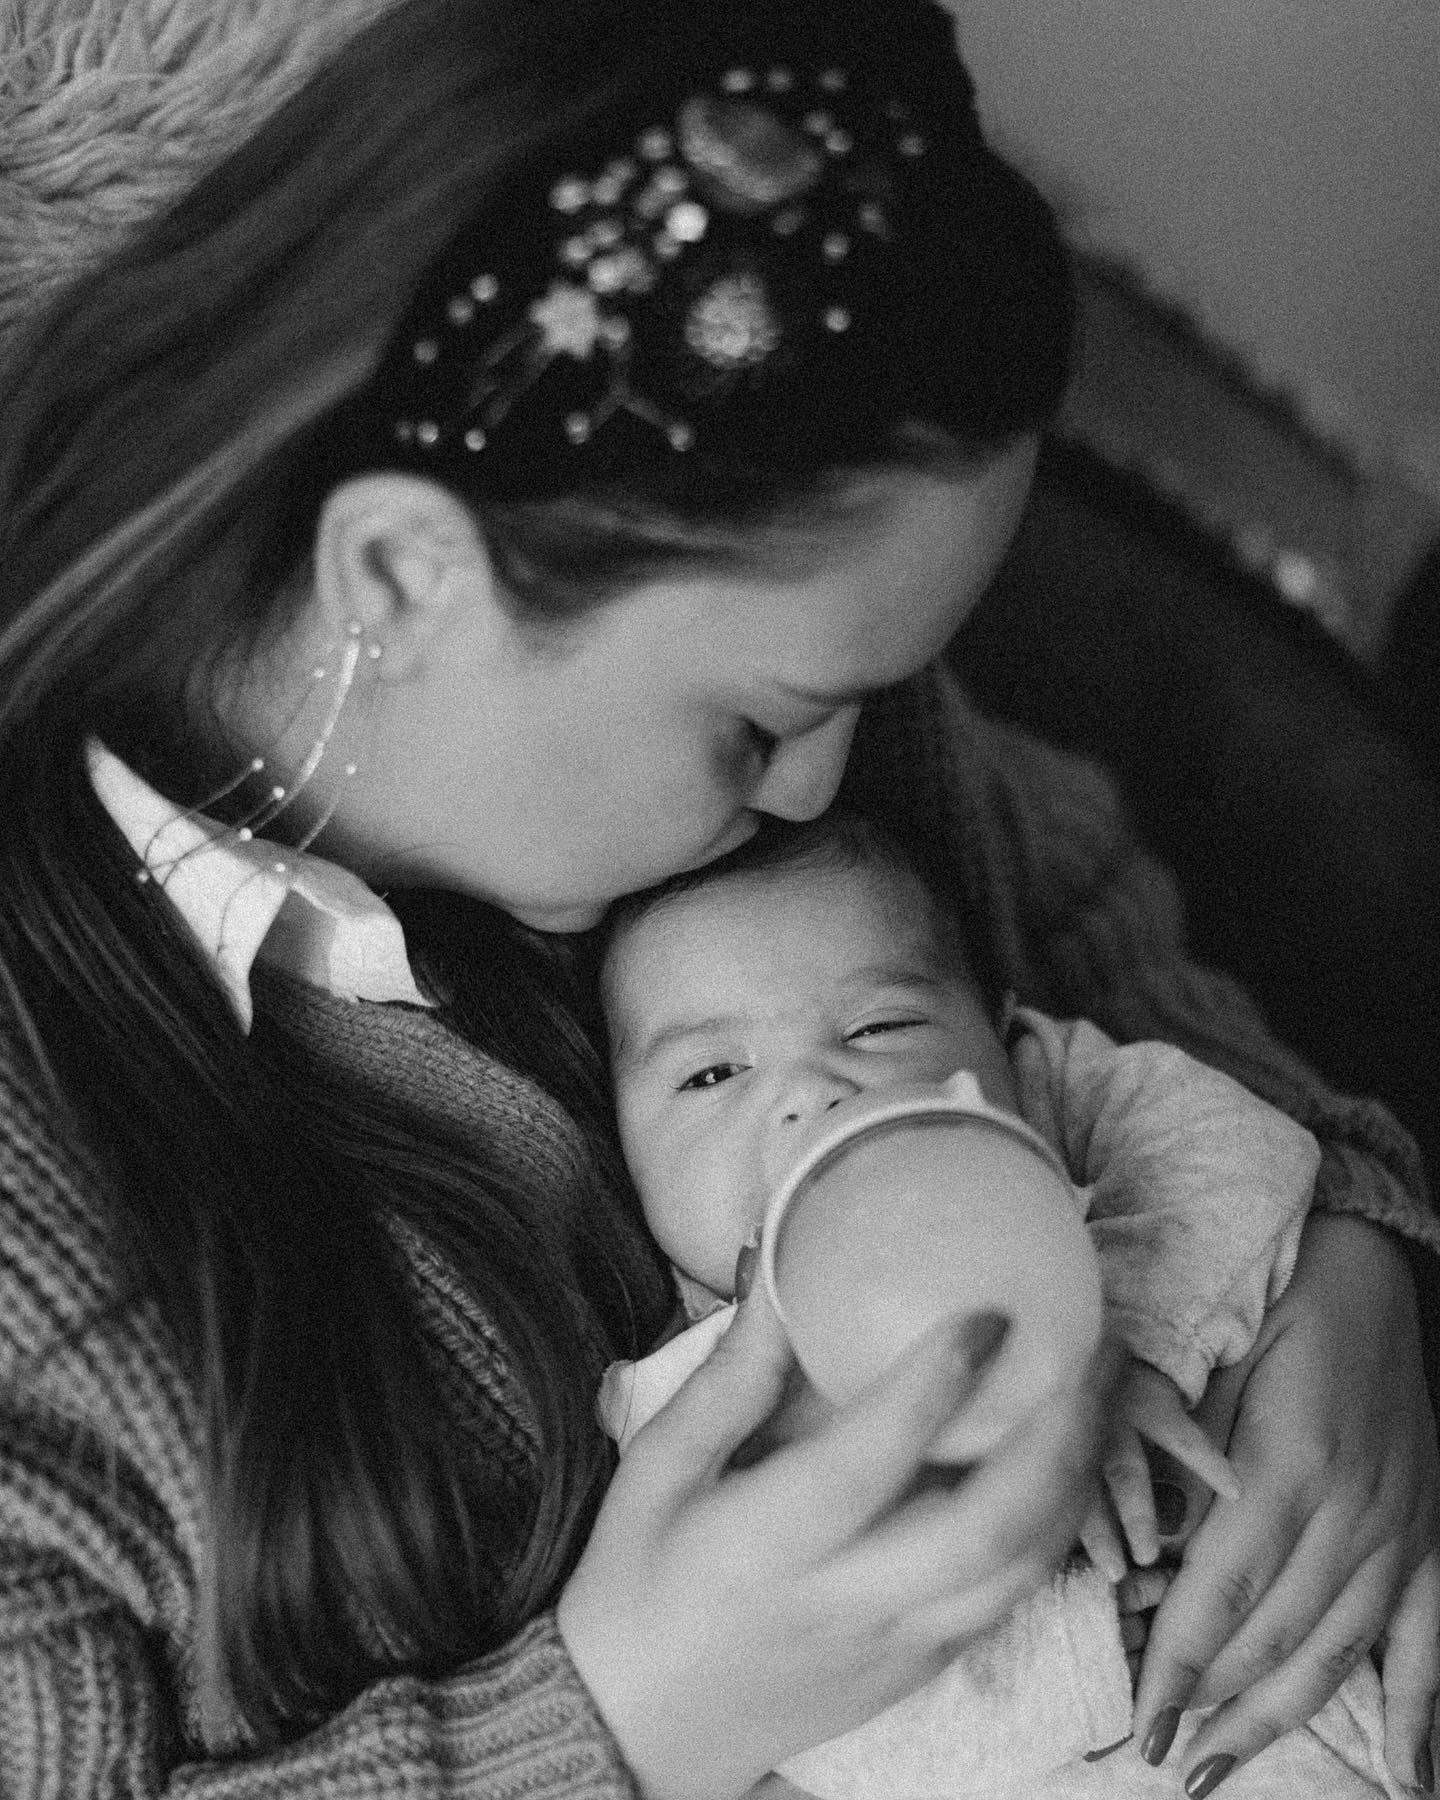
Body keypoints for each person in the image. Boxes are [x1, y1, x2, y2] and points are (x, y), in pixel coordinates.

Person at [0, 2, 1436, 1797]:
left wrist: (1342, 1253)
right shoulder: (47, 1269)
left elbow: (1071, 904)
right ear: (403, 574)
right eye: (763, 725)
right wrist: (621, 1718)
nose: (830, 787)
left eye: (878, 694)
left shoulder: (781, 682)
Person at [594, 810, 1405, 1799]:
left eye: (878, 1028)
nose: (814, 1090)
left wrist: (1136, 1344)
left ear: (1006, 1037)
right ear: (621, 1163)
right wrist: (1085, 1649)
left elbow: (1242, 1146)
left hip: (1313, 1675)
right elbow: (788, 1721)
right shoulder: (685, 1413)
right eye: (712, 1074)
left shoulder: (1047, 1104)